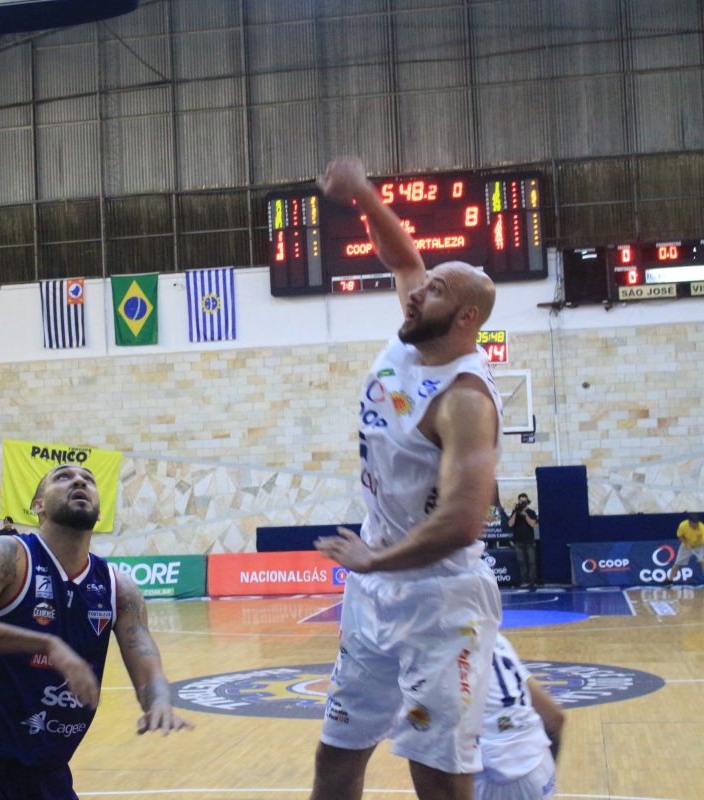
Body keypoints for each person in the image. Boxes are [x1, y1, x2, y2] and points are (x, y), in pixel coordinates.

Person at [308, 157, 504, 800]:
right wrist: (364, 195)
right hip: (375, 593)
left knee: (437, 777)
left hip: (440, 601)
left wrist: (376, 559)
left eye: (436, 291)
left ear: (466, 318)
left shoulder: (465, 399)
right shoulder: (411, 343)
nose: (417, 293)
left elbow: (464, 519)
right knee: (337, 754)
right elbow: (403, 259)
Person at [0, 463, 191, 799]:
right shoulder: (11, 556)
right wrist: (46, 644)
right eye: (63, 477)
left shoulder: (118, 589)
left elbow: (148, 668)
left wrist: (159, 702)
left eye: (88, 480)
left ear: (99, 513)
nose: (79, 480)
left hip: (49, 771)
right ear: (38, 505)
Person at [474, 634, 564, 800]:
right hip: (540, 767)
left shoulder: (443, 651)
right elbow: (555, 717)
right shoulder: (496, 639)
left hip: (495, 774)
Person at [665, 512, 704, 588]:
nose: (695, 525)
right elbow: (680, 536)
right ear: (689, 522)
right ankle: (670, 581)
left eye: (697, 523)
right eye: (694, 524)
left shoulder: (702, 527)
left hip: (699, 546)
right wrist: (686, 544)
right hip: (686, 545)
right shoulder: (683, 525)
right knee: (677, 563)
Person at [509, 493, 539, 590]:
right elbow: (510, 524)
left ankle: (532, 581)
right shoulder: (515, 512)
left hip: (529, 540)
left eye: (524, 502)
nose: (522, 503)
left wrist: (525, 515)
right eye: (521, 501)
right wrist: (515, 512)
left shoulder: (531, 512)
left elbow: (532, 524)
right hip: (518, 541)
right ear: (518, 501)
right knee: (521, 562)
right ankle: (524, 581)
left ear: (527, 502)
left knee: (531, 561)